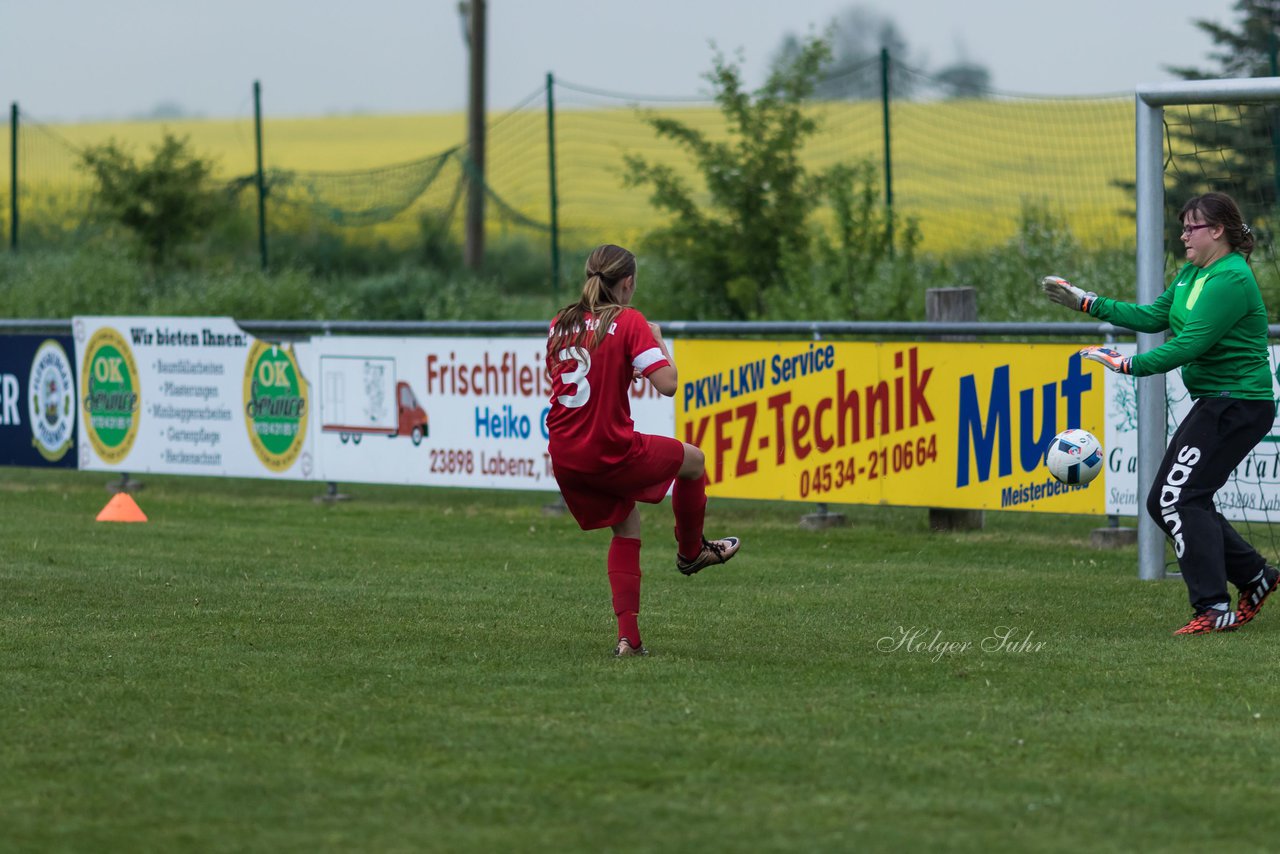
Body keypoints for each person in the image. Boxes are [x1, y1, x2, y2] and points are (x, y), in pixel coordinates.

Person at [1042, 191, 1277, 635]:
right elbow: (1153, 316)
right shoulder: (1191, 274)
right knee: (1165, 501)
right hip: (1218, 402)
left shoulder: (1231, 279)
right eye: (1183, 226)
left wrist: (1129, 364)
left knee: (1179, 499)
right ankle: (1255, 576)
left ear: (1218, 231)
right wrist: (1088, 302)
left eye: (1192, 227)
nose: (1184, 235)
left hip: (1239, 403)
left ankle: (1212, 607)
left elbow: (1190, 345)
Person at [545, 244, 741, 657]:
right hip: (607, 449)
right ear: (628, 283)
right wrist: (656, 340)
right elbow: (668, 383)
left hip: (565, 455)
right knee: (694, 462)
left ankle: (628, 641)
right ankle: (691, 553)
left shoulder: (559, 324)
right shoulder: (629, 321)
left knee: (627, 525)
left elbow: (581, 376)